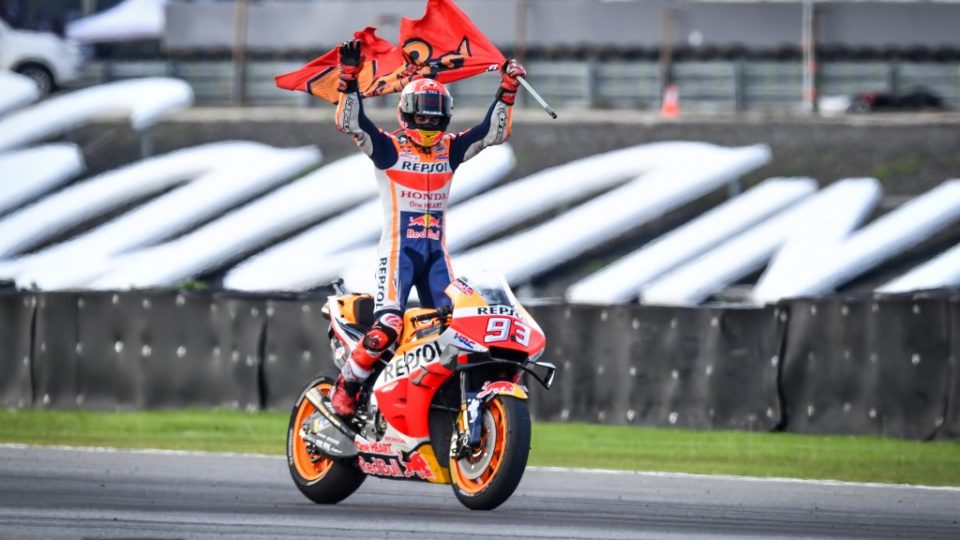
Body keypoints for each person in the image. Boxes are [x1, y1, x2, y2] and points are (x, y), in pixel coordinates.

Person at [329, 38, 526, 418]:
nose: (429, 121)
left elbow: (493, 133)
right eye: (422, 113)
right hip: (398, 252)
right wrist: (349, 77)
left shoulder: (450, 150)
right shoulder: (388, 148)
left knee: (458, 328)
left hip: (436, 254)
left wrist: (508, 88)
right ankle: (348, 385)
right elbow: (350, 122)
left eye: (436, 114)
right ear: (406, 113)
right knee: (387, 324)